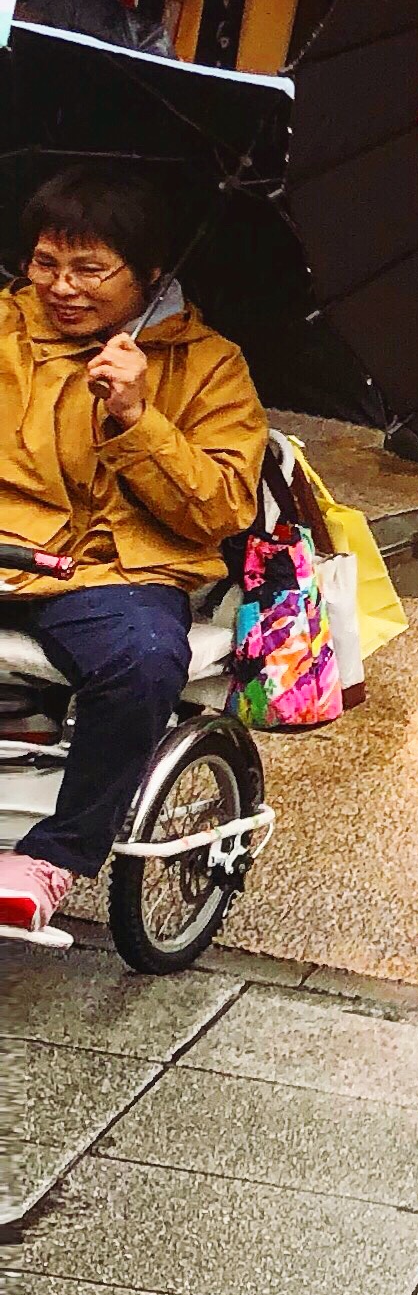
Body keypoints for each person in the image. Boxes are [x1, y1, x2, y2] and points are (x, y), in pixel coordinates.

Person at [0, 171, 264, 939]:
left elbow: (219, 505)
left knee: (145, 661)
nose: (61, 287)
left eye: (90, 269)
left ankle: (53, 857)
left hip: (115, 571)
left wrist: (137, 417)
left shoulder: (210, 365)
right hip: (6, 545)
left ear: (151, 273)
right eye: (46, 263)